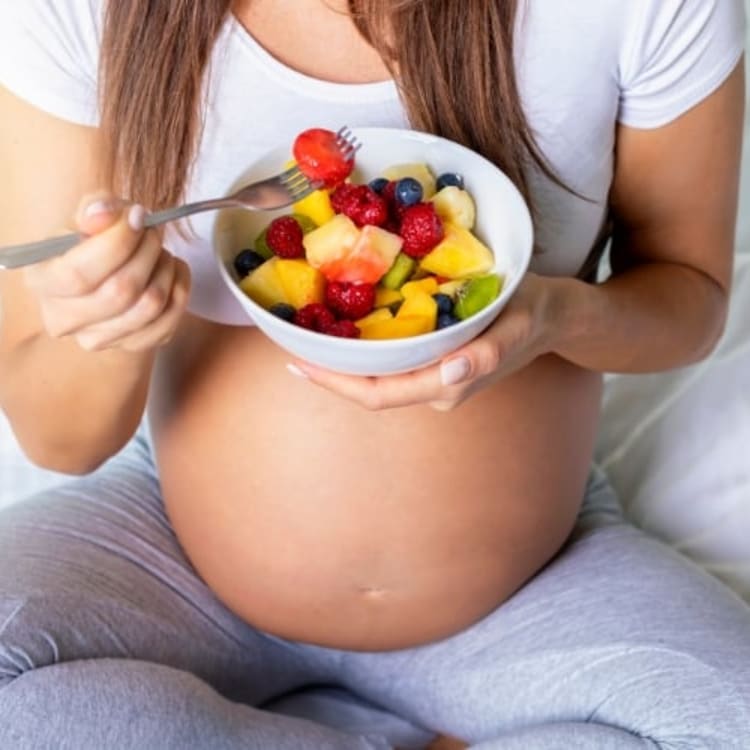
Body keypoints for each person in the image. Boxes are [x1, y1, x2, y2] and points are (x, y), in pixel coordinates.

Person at [0, 0, 749, 747]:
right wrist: (113, 321)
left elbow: (689, 300)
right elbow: (60, 441)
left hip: (531, 588)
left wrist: (558, 318)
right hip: (167, 562)